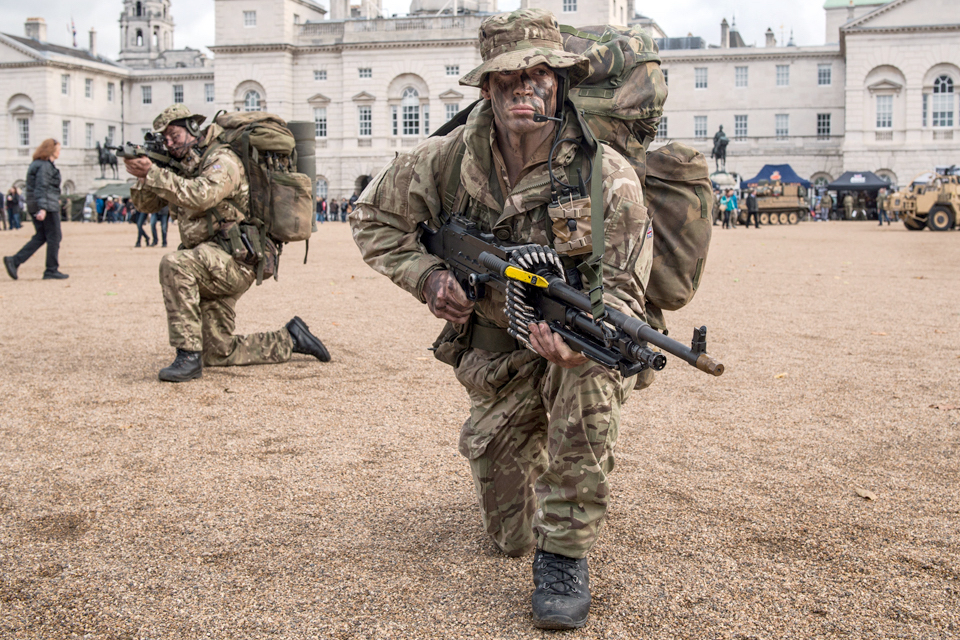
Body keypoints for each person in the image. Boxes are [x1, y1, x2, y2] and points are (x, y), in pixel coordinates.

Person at [350, 9, 652, 629]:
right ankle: (540, 454)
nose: (525, 87)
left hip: (561, 351)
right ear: (486, 86)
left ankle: (565, 553)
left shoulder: (606, 177)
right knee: (508, 536)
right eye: (507, 77)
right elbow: (370, 219)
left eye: (539, 74)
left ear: (559, 82)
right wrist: (430, 277)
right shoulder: (443, 159)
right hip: (494, 363)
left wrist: (587, 342)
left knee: (593, 367)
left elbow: (622, 289)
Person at [124, 104, 331, 382]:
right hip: (211, 261)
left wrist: (153, 173)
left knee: (175, 265)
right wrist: (143, 174)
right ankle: (291, 338)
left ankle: (186, 356)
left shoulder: (222, 160)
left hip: (236, 259)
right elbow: (146, 204)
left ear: (194, 129)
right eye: (165, 139)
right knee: (217, 352)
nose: (169, 143)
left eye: (174, 135)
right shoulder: (184, 166)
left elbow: (201, 196)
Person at [4, 139, 68, 280]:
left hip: (39, 204)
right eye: (58, 149)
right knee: (54, 236)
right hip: (45, 206)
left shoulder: (40, 164)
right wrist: (43, 208)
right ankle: (51, 270)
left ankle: (14, 261)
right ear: (51, 150)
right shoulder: (44, 166)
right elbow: (42, 187)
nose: (59, 151)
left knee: (41, 236)